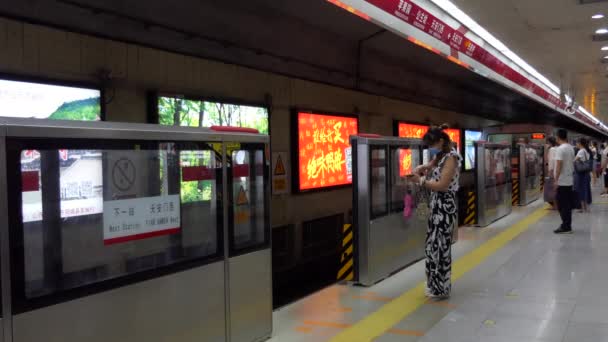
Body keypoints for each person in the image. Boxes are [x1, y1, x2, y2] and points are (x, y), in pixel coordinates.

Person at [409, 124, 461, 300]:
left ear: (440, 141)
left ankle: (442, 288)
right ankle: (433, 284)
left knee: (440, 246)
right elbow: (429, 166)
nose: (430, 148)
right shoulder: (440, 156)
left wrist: (421, 181)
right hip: (436, 204)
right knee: (432, 245)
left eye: (432, 144)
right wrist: (420, 169)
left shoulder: (451, 158)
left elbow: (442, 185)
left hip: (445, 205)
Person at [553, 129, 575, 234]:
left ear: (557, 137)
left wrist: (556, 180)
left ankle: (566, 226)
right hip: (569, 180)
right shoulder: (571, 148)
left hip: (562, 181)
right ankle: (567, 225)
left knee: (562, 204)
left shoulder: (560, 149)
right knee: (566, 204)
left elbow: (559, 165)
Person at [574, 138, 592, 212]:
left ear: (580, 143)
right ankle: (586, 207)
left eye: (577, 143)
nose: (576, 144)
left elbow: (574, 160)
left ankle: (582, 208)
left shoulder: (581, 151)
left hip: (580, 173)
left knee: (580, 189)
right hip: (586, 173)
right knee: (585, 189)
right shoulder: (586, 150)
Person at [545, 136, 558, 210]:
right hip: (558, 171)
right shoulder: (558, 148)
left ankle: (555, 206)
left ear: (549, 142)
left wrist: (550, 172)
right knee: (556, 189)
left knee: (552, 189)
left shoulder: (552, 149)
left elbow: (551, 162)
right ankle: (557, 205)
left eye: (547, 142)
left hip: (553, 172)